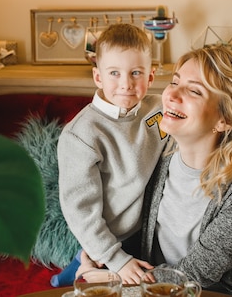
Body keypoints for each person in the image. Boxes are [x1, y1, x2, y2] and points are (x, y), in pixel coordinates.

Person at [139, 45, 232, 296]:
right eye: (174, 82)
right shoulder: (155, 147)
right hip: (158, 288)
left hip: (226, 292)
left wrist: (126, 275)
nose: (172, 95)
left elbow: (199, 272)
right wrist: (100, 257)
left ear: (223, 119)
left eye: (194, 90)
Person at [54, 23, 169, 286]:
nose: (126, 84)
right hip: (108, 238)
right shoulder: (82, 134)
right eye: (114, 73)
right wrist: (116, 259)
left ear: (150, 77)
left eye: (135, 72)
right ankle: (76, 269)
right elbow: (80, 209)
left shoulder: (159, 108)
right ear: (98, 77)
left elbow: (211, 122)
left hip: (147, 230)